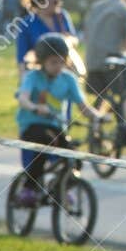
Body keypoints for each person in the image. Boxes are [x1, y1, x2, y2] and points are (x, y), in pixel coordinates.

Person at [14, 33, 103, 204]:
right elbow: (23, 98)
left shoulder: (68, 79)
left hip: (55, 126)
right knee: (44, 145)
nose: (58, 66)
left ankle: (61, 187)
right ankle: (29, 188)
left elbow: (83, 107)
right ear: (42, 61)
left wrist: (97, 116)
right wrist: (35, 107)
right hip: (32, 125)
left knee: (74, 159)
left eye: (62, 61)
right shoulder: (32, 77)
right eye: (53, 62)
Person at [83, 0, 126, 117]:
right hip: (112, 60)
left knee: (102, 95)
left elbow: (87, 32)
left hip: (92, 60)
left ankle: (95, 129)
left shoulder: (95, 7)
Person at [14, 0, 77, 73]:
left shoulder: (62, 16)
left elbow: (74, 39)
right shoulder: (27, 23)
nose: (58, 4)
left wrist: (67, 40)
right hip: (39, 72)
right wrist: (23, 80)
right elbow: (22, 57)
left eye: (58, 1)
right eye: (55, 1)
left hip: (62, 70)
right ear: (41, 2)